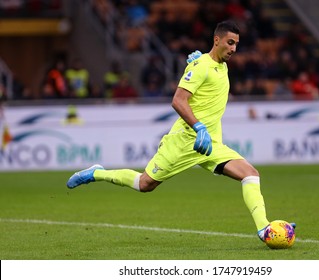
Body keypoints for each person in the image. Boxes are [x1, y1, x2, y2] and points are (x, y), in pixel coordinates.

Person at [66, 21, 295, 244]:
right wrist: (199, 125)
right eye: (230, 42)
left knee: (250, 174)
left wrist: (196, 63)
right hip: (185, 141)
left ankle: (265, 228)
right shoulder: (201, 66)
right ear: (217, 40)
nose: (234, 49)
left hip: (209, 145)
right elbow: (178, 100)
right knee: (145, 184)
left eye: (236, 44)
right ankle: (97, 173)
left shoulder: (220, 66)